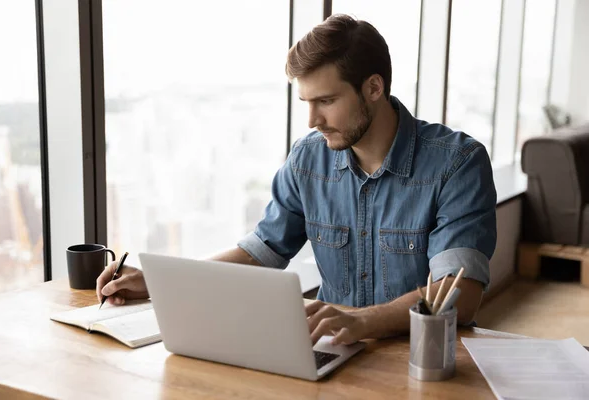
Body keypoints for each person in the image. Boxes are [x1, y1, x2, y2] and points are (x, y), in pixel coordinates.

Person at [96, 14, 496, 347]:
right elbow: (260, 252)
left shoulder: (457, 163)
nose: (312, 121)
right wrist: (160, 280)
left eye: (326, 101)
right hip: (333, 351)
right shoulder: (308, 158)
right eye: (307, 102)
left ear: (374, 87)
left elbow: (459, 296)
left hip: (425, 357)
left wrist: (361, 321)